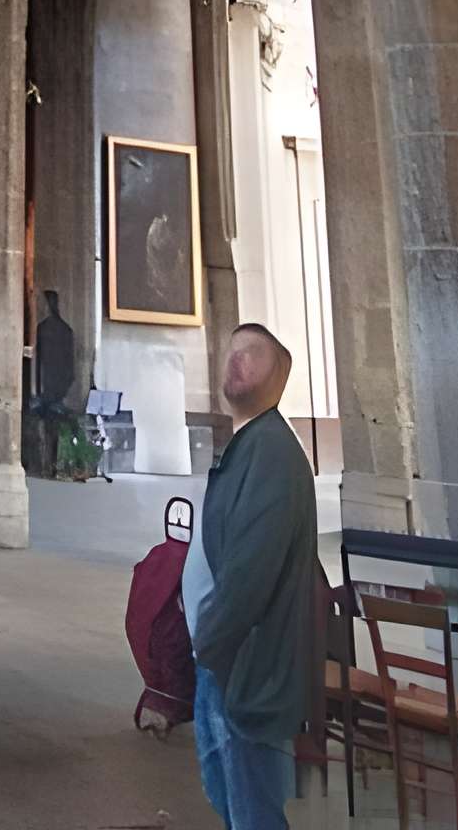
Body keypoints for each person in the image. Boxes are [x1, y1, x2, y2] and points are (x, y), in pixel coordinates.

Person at [186, 323, 317, 828]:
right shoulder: (252, 445)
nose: (236, 360)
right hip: (230, 661)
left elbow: (249, 573)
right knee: (236, 800)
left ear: (280, 375)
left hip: (245, 665)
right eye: (232, 351)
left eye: (253, 353)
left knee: (253, 808)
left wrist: (209, 644)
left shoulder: (270, 452)